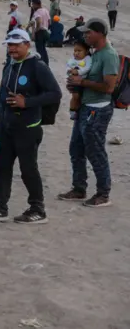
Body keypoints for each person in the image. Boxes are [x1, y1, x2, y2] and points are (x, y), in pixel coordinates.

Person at [0, 29, 61, 225]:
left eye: (16, 45)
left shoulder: (37, 66)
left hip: (28, 128)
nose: (12, 48)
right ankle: (0, 207)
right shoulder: (9, 66)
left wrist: (28, 102)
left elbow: (55, 94)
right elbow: (1, 97)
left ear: (27, 45)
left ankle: (38, 209)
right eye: (9, 45)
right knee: (3, 167)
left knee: (28, 169)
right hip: (6, 127)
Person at [59, 18, 119, 207]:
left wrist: (81, 83)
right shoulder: (94, 53)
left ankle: (103, 193)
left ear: (100, 33)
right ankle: (79, 188)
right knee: (76, 148)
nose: (85, 35)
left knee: (95, 151)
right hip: (86, 107)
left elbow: (109, 87)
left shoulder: (109, 55)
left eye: (88, 32)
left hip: (98, 109)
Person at [66, 42, 93, 120]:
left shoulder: (88, 59)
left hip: (83, 81)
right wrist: (69, 72)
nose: (76, 53)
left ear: (86, 51)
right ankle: (72, 111)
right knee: (75, 96)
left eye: (79, 51)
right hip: (73, 82)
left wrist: (78, 72)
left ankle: (77, 110)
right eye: (75, 51)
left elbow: (87, 68)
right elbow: (68, 67)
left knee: (80, 97)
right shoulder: (72, 60)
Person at [30, 0, 50, 65]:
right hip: (46, 32)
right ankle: (46, 64)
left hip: (40, 32)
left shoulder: (37, 12)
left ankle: (41, 65)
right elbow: (49, 21)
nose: (32, 6)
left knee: (39, 50)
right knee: (43, 49)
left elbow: (39, 21)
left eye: (33, 4)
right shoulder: (46, 10)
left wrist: (36, 30)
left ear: (36, 4)